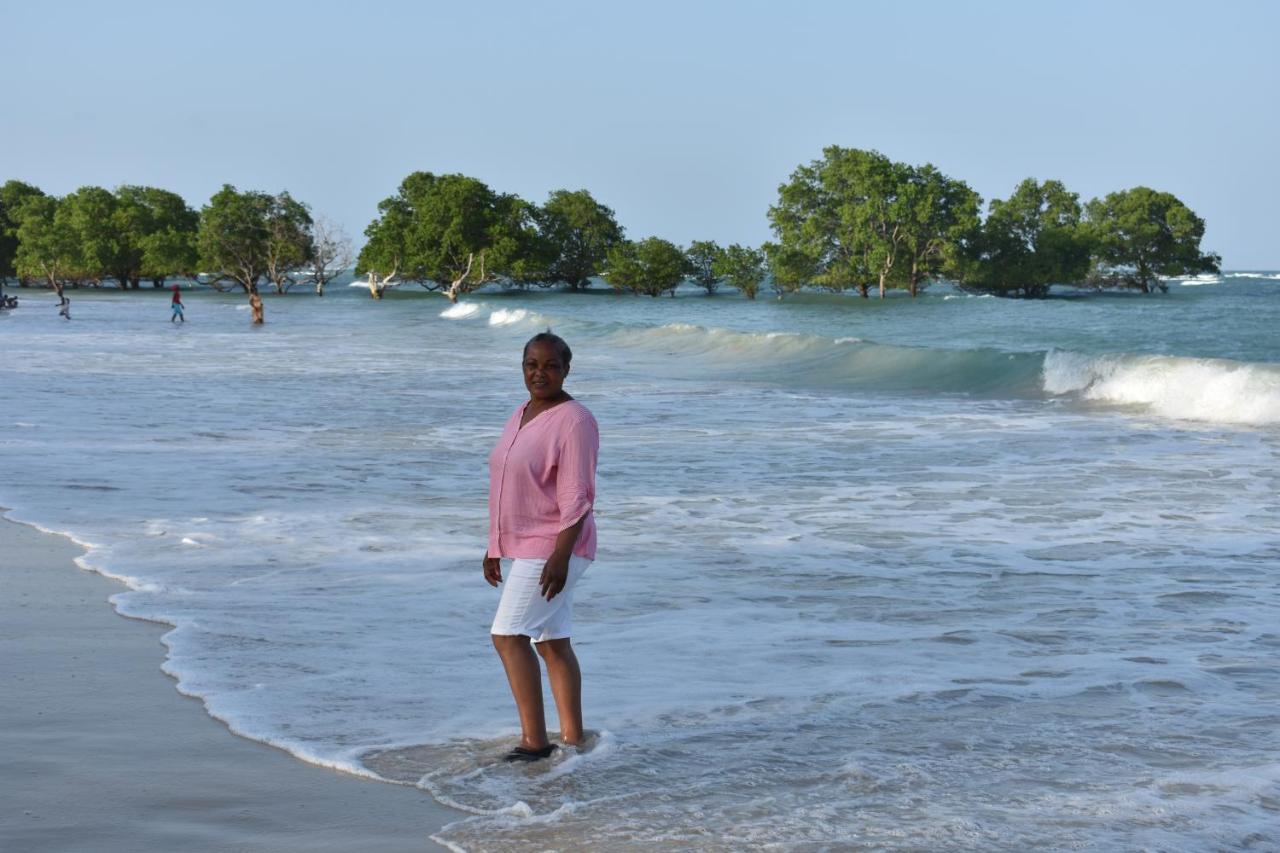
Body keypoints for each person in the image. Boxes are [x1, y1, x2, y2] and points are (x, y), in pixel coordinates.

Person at [484, 331, 599, 763]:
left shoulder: (576, 420)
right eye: (532, 364)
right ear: (522, 367)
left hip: (556, 547)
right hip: (528, 546)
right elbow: (504, 483)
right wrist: (493, 547)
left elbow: (578, 496)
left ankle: (535, 743)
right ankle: (574, 739)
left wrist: (561, 556)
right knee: (551, 642)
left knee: (508, 635)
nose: (540, 373)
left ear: (567, 369)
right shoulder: (521, 413)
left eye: (551, 365)